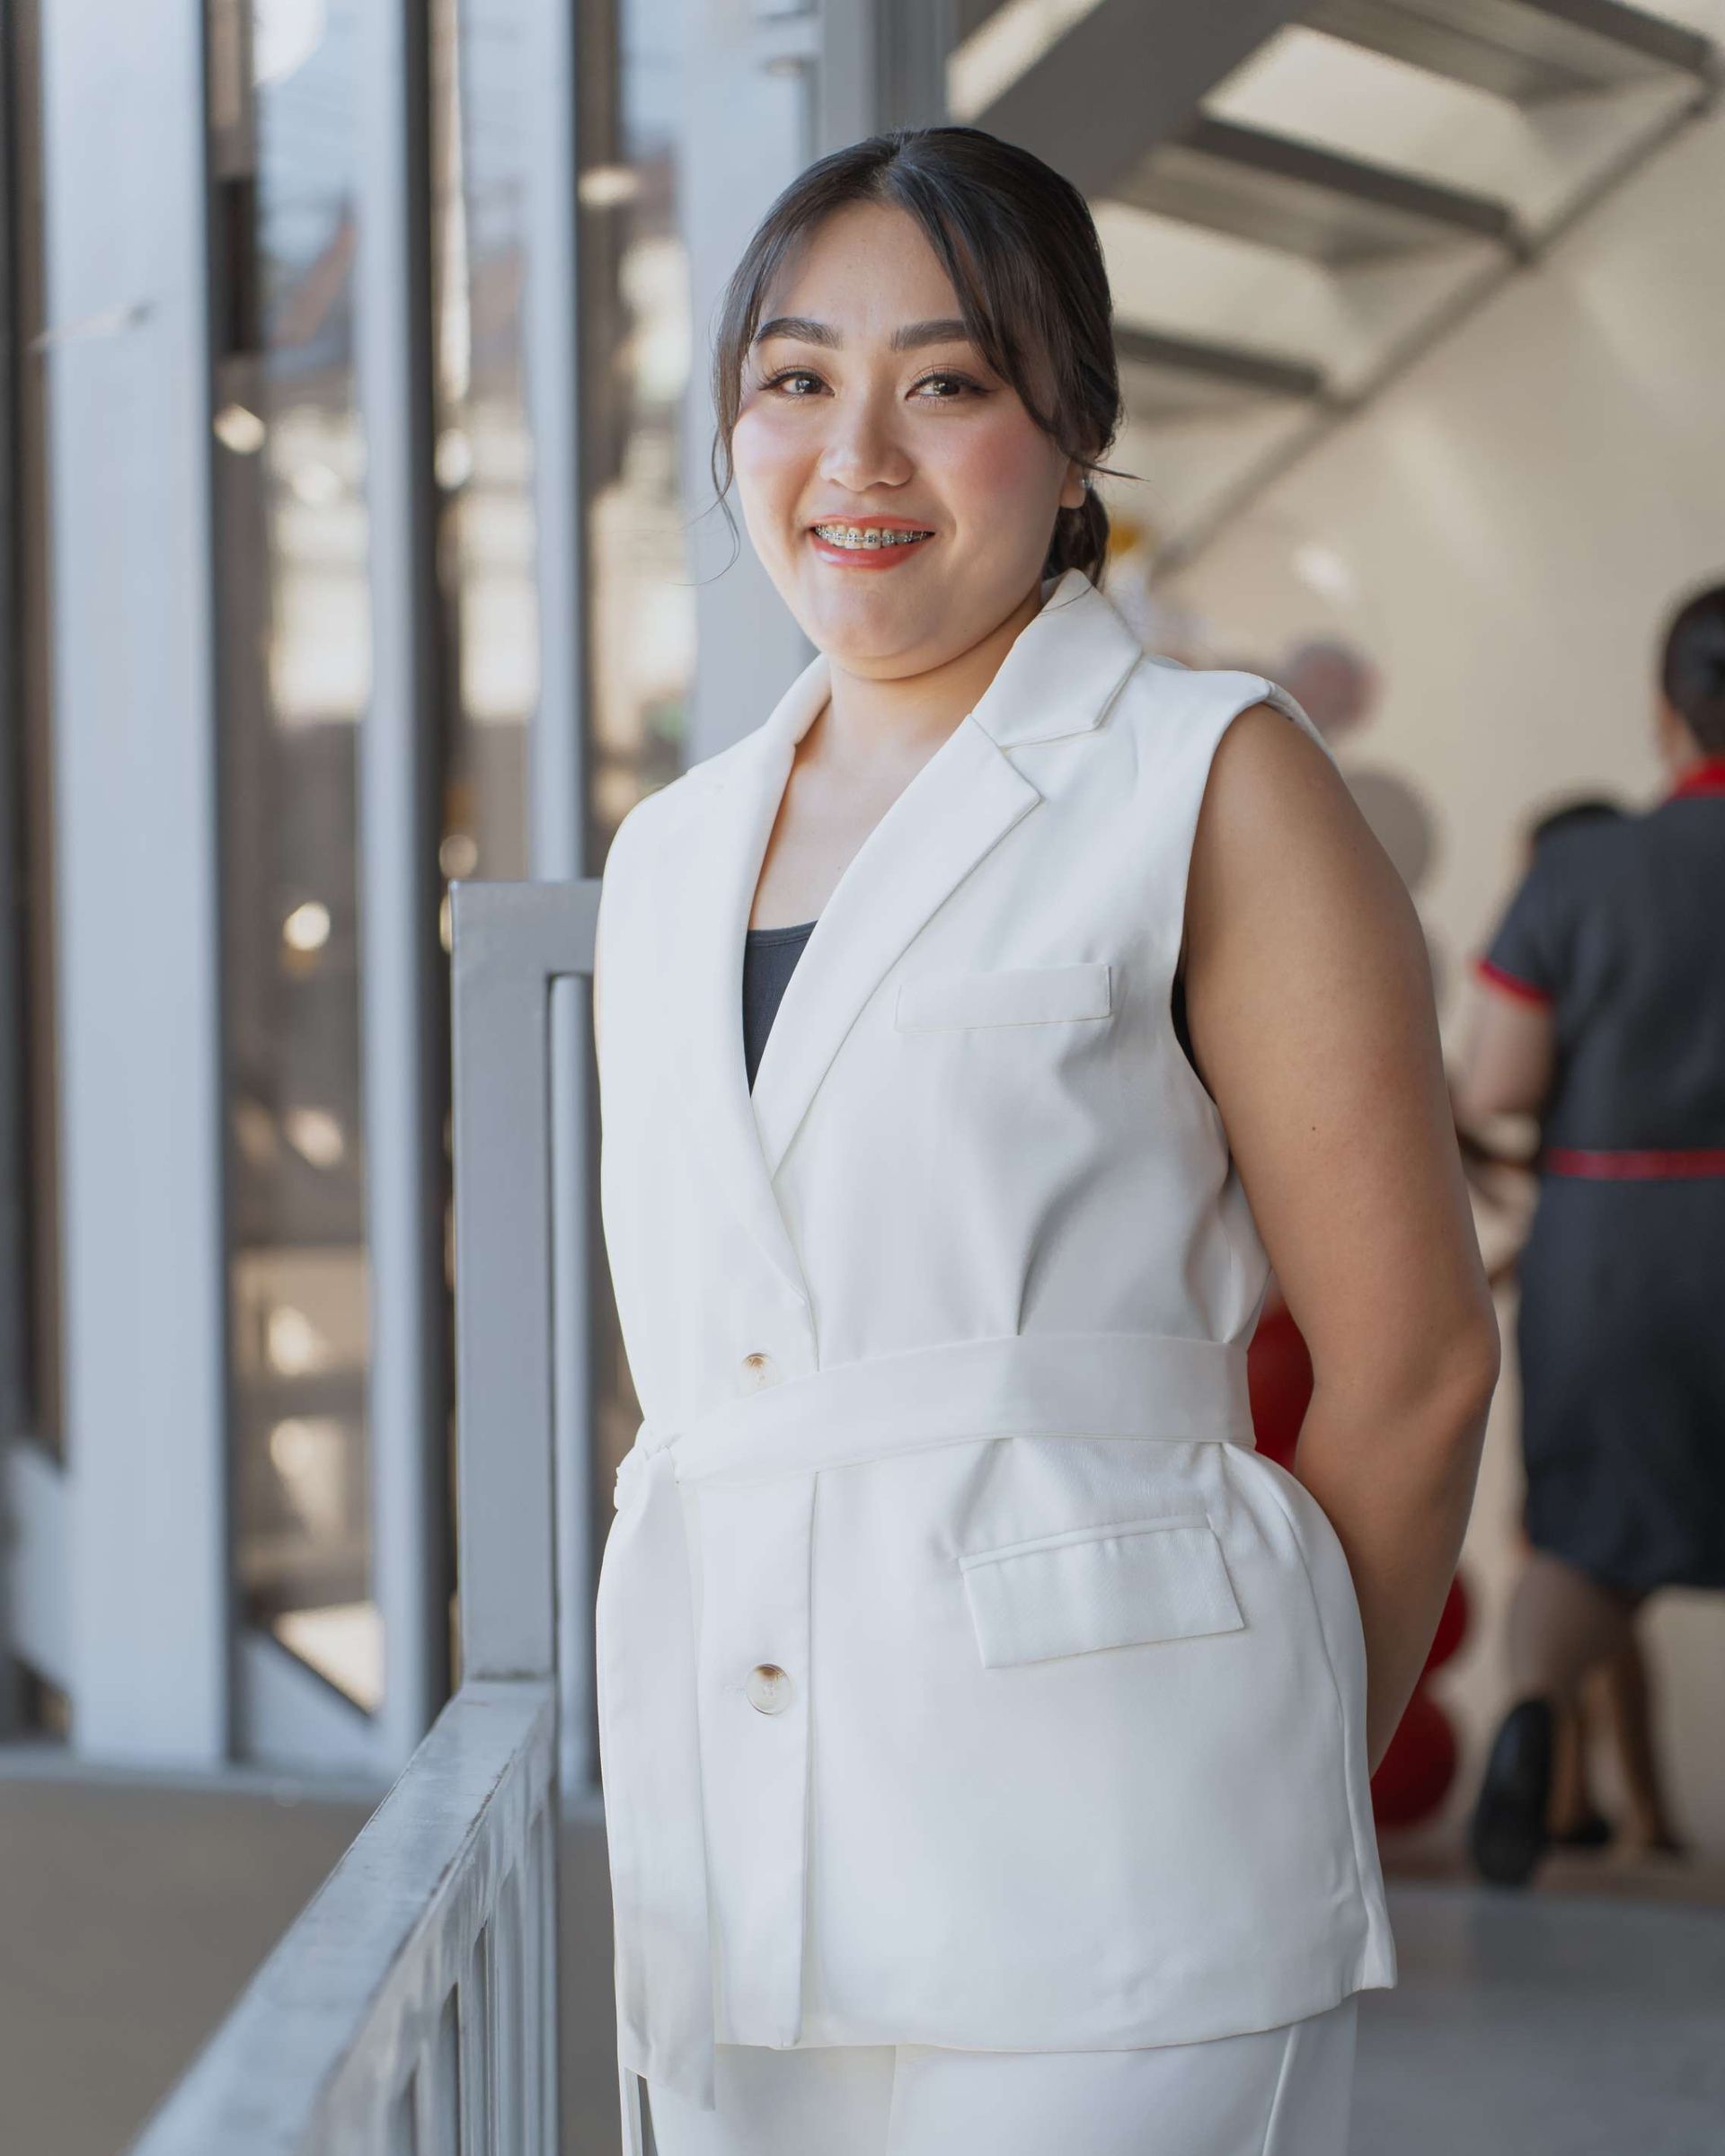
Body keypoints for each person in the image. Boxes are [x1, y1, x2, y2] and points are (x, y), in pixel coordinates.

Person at [590, 126, 1499, 2156]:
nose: (859, 458)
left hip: (1118, 1863)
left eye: (949, 382)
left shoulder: (1209, 775)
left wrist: (1262, 1750)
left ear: (1074, 427)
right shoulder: (663, 855)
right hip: (739, 1865)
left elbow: (1418, 1369)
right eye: (796, 380)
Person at [1457, 582, 1725, 1888]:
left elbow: (1499, 1084)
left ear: (1667, 706)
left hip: (1615, 1234)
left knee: (1585, 1538)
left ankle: (1535, 1714)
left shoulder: (1583, 869)